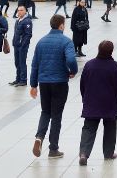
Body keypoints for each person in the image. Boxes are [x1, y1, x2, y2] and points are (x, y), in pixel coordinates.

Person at [30, 14, 79, 160]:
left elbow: (34, 65)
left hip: (44, 82)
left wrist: (33, 85)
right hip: (60, 82)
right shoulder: (66, 41)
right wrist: (73, 71)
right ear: (61, 25)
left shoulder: (41, 42)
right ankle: (53, 149)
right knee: (56, 115)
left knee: (45, 111)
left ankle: (39, 137)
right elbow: (71, 59)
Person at [77, 40, 117, 166]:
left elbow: (82, 84)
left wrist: (85, 98)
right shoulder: (115, 67)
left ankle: (84, 154)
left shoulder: (89, 65)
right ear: (111, 51)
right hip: (110, 104)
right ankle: (108, 153)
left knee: (89, 128)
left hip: (92, 103)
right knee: (110, 128)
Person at [10, 5, 34, 87]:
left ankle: (23, 80)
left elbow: (28, 35)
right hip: (16, 45)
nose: (19, 12)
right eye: (18, 10)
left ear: (25, 11)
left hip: (22, 46)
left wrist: (23, 45)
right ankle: (18, 79)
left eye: (21, 10)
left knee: (22, 62)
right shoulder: (18, 20)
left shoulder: (27, 21)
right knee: (17, 62)